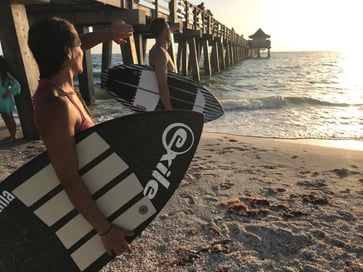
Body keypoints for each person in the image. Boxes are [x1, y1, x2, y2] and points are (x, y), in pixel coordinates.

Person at [27, 17, 134, 256]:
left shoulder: (61, 86)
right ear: (67, 53)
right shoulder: (55, 107)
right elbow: (68, 179)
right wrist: (106, 232)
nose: (83, 48)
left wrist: (108, 33)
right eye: (78, 45)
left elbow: (79, 43)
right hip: (82, 211)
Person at [149, 17, 177, 110]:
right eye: (169, 29)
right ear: (165, 31)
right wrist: (170, 111)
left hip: (165, 104)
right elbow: (162, 86)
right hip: (163, 107)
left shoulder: (161, 51)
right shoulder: (160, 53)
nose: (171, 32)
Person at [0, 56, 21, 143]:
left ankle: (13, 137)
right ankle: (11, 135)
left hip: (5, 100)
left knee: (9, 117)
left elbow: (17, 85)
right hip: (1, 100)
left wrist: (8, 93)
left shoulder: (5, 74)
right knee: (5, 117)